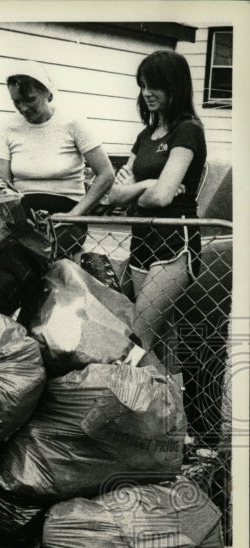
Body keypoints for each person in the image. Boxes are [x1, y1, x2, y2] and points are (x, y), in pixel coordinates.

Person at [102, 50, 207, 358]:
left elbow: (161, 198)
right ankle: (170, 404)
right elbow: (113, 195)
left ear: (175, 87)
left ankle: (131, 398)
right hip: (142, 239)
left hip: (174, 240)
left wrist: (136, 188)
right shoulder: (145, 135)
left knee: (139, 335)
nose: (147, 93)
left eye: (155, 85)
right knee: (160, 340)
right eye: (143, 85)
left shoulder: (187, 130)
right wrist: (148, 184)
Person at [0, 60, 114, 258]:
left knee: (42, 256)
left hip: (66, 217)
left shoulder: (72, 123)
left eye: (30, 100)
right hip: (24, 217)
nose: (23, 108)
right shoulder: (7, 128)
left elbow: (106, 174)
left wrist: (76, 215)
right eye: (16, 101)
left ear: (48, 94)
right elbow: (3, 184)